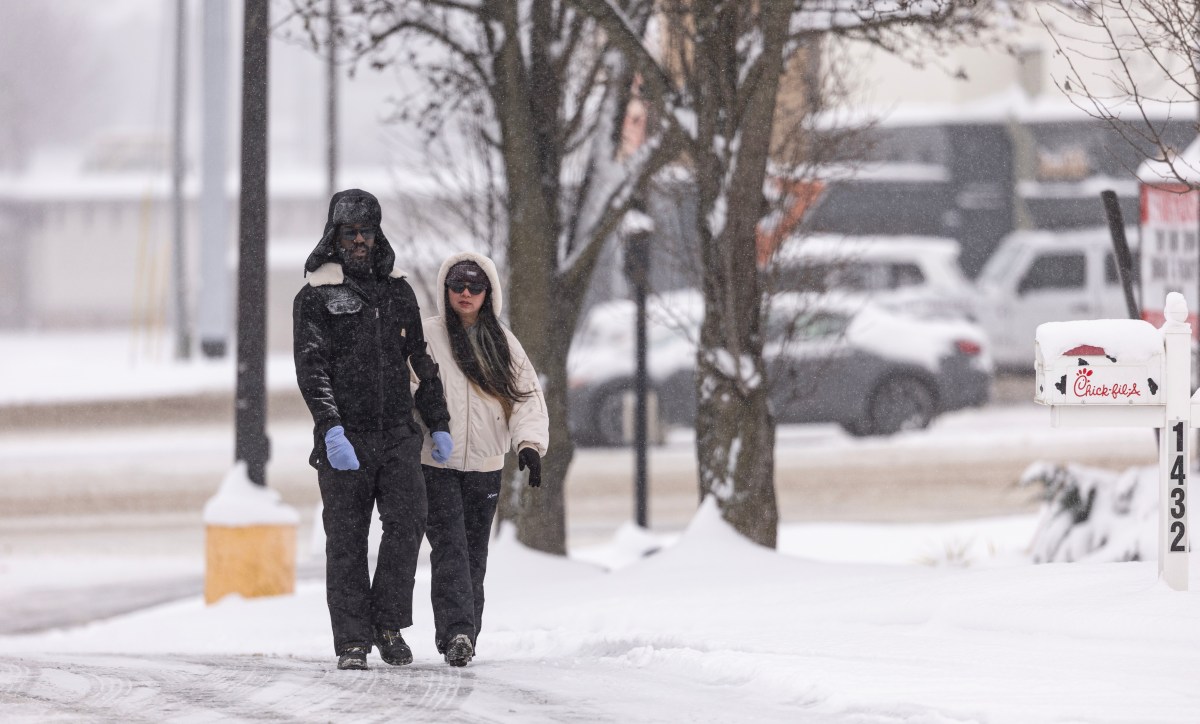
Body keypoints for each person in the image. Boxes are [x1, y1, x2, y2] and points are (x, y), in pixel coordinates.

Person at [293, 188, 455, 671]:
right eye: (349, 232)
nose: (359, 240)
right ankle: (352, 640)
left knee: (407, 527)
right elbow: (312, 368)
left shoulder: (398, 290)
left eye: (366, 231)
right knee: (346, 540)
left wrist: (438, 421)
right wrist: (330, 428)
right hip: (345, 438)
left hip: (397, 435)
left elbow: (419, 361)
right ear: (335, 236)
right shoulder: (316, 295)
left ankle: (387, 624)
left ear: (376, 233)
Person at [417, 252, 549, 667]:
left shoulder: (505, 343)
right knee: (450, 547)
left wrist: (528, 445)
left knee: (475, 552)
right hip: (436, 464)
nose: (466, 293)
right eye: (458, 284)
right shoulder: (426, 336)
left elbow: (526, 397)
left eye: (475, 285)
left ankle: (466, 633)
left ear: (489, 291)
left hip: (487, 464)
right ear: (446, 289)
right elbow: (409, 389)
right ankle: (455, 631)